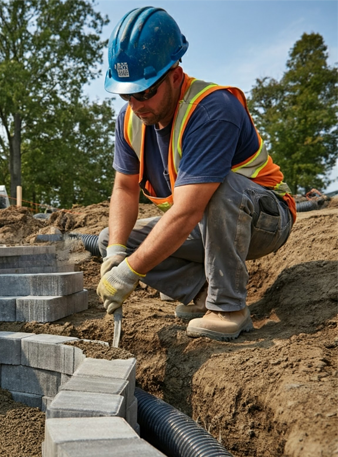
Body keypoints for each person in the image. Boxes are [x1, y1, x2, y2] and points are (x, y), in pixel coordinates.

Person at [96, 7, 296, 341]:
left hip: (264, 220)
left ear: (175, 76)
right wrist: (118, 253)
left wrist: (130, 272)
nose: (136, 105)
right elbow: (125, 189)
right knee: (111, 239)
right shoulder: (130, 121)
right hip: (205, 225)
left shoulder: (211, 109)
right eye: (127, 94)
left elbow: (189, 209)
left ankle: (229, 308)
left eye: (145, 92)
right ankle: (204, 294)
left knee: (217, 188)